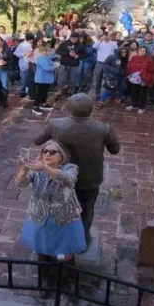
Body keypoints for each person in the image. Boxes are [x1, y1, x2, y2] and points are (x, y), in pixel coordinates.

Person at [33, 94, 120, 246]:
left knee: (58, 208)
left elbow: (37, 140)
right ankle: (83, 239)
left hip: (60, 177)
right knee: (86, 210)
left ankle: (59, 238)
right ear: (91, 109)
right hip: (89, 179)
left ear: (68, 108)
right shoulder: (103, 128)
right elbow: (115, 150)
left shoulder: (55, 124)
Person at [15, 140, 87, 268]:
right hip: (40, 215)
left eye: (52, 152)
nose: (47, 154)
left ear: (61, 156)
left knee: (66, 254)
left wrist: (45, 167)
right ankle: (45, 270)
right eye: (44, 151)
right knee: (42, 247)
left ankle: (68, 274)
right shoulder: (36, 169)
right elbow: (21, 184)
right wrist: (24, 170)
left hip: (64, 217)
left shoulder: (70, 168)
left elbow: (67, 178)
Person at [125, 46, 154, 114]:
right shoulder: (134, 58)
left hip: (144, 78)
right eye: (141, 50)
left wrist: (143, 72)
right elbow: (130, 67)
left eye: (144, 51)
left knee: (143, 93)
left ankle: (142, 107)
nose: (142, 52)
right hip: (134, 78)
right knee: (134, 91)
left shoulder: (149, 59)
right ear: (138, 51)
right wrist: (129, 74)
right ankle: (134, 105)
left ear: (146, 52)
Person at [91, 34, 119, 99]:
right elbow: (94, 47)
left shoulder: (113, 43)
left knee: (110, 79)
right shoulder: (99, 43)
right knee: (97, 79)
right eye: (105, 35)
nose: (106, 37)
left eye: (107, 35)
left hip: (109, 63)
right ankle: (97, 94)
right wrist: (100, 40)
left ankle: (110, 94)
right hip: (100, 62)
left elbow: (116, 51)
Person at [14, 33, 35, 99]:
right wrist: (24, 54)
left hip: (31, 64)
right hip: (24, 64)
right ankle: (22, 92)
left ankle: (29, 92)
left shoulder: (30, 45)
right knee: (24, 79)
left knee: (30, 79)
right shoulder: (22, 45)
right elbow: (16, 53)